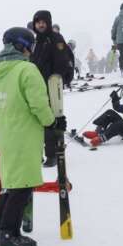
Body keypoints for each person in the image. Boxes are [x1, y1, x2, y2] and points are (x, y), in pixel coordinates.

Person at [0, 27, 56, 246]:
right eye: (30, 46)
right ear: (23, 46)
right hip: (25, 135)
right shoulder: (27, 70)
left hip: (5, 135)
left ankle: (1, 226)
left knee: (11, 183)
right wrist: (51, 121)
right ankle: (8, 234)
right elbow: (38, 104)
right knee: (22, 185)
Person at [30, 10, 74, 168]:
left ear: (48, 23)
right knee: (38, 119)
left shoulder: (55, 38)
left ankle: (53, 154)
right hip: (36, 85)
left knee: (52, 118)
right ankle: (40, 153)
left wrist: (57, 80)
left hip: (51, 84)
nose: (41, 24)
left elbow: (62, 60)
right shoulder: (36, 41)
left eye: (43, 22)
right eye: (38, 22)